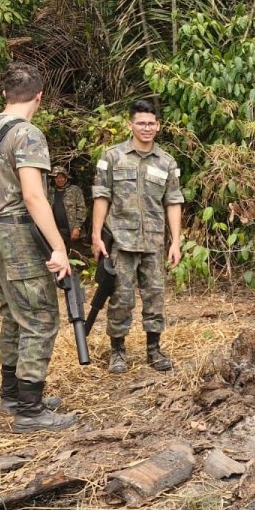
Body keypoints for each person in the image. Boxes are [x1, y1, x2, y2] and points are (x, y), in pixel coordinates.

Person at [0, 62, 79, 432]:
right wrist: (58, 247)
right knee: (39, 317)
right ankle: (30, 411)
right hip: (17, 234)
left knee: (12, 314)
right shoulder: (28, 134)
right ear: (39, 96)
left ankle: (12, 394)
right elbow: (34, 196)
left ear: (5, 94)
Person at [91, 100, 184, 374]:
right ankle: (117, 350)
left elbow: (173, 201)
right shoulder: (112, 157)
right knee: (121, 298)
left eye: (151, 123)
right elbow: (101, 196)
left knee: (155, 297)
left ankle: (154, 349)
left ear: (158, 126)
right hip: (121, 242)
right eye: (141, 123)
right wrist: (96, 235)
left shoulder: (167, 162)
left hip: (154, 244)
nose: (147, 128)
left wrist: (176, 241)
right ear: (130, 124)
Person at [47, 166, 87, 257]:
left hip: (73, 231)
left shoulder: (75, 190)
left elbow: (82, 209)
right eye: (56, 177)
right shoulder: (51, 192)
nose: (59, 179)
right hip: (58, 232)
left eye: (61, 177)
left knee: (77, 257)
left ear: (66, 178)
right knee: (61, 256)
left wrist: (77, 228)